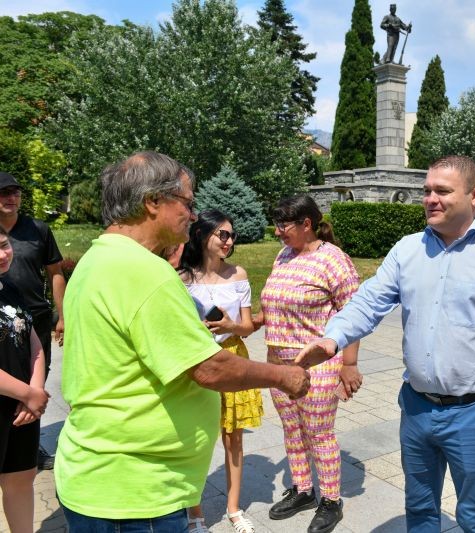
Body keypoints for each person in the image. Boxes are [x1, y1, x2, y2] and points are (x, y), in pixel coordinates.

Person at [55, 151, 310, 531]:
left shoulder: (97, 260)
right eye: (187, 203)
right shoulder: (144, 273)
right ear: (152, 202)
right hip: (136, 495)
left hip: (103, 480)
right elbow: (209, 368)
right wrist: (284, 376)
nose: (192, 215)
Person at [296, 156, 475, 532]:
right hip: (416, 408)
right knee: (419, 509)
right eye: (427, 190)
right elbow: (368, 302)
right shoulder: (408, 250)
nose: (430, 199)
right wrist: (334, 338)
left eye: (442, 191)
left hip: (474, 412)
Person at [260, 195, 361, 533]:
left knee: (318, 433)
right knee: (292, 429)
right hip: (278, 364)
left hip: (317, 364)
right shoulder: (284, 255)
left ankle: (331, 500)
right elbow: (272, 305)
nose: (277, 231)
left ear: (306, 224)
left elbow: (354, 314)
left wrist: (349, 364)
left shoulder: (334, 260)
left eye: (283, 225)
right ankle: (303, 490)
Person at [178, 210, 262, 533]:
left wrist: (230, 326)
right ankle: (195, 513)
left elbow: (247, 327)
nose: (229, 241)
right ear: (202, 235)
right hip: (197, 359)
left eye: (231, 235)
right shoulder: (182, 278)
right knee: (195, 438)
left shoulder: (238, 274)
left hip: (232, 357)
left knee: (233, 438)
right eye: (222, 234)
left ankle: (234, 509)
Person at [0, 171, 65, 470]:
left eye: (15, 192)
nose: (11, 198)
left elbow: (56, 273)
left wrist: (62, 316)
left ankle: (27, 447)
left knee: (34, 382)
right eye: (4, 193)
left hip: (34, 320)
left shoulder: (37, 229)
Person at [0, 226, 49, 533]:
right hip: (18, 400)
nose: (2, 254)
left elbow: (33, 344)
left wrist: (36, 390)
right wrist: (28, 395)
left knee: (21, 478)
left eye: (4, 245)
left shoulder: (10, 286)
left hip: (21, 409)